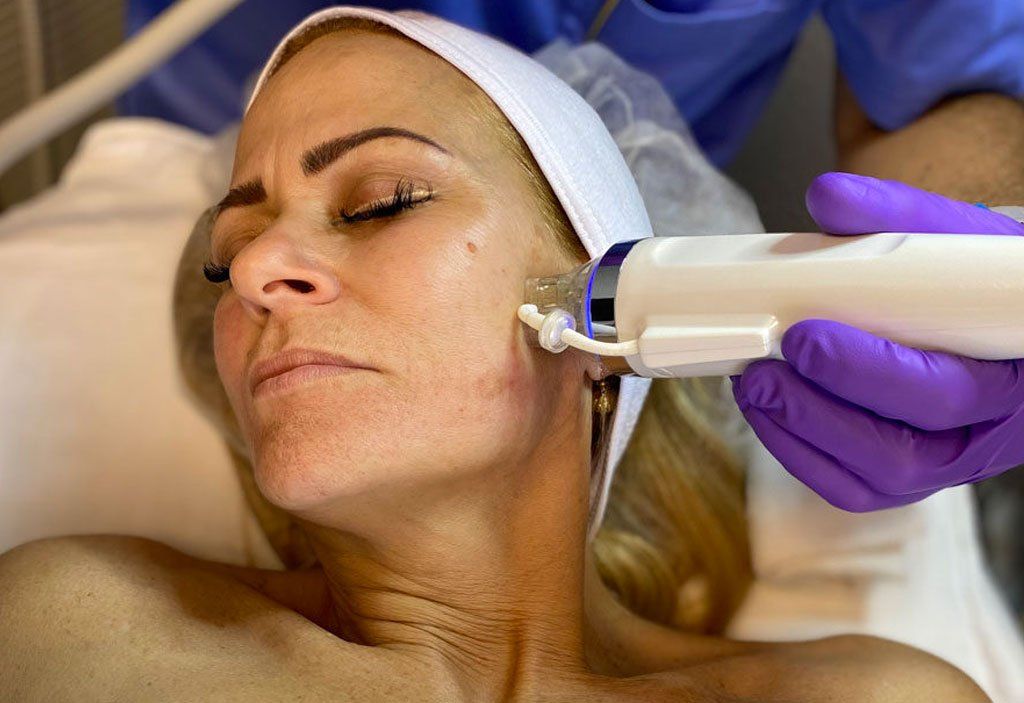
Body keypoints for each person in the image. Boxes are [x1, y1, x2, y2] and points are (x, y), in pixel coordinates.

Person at [0, 9, 993, 701]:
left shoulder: (878, 693)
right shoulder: (76, 631)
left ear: (609, 322)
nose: (257, 266)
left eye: (381, 202)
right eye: (225, 255)